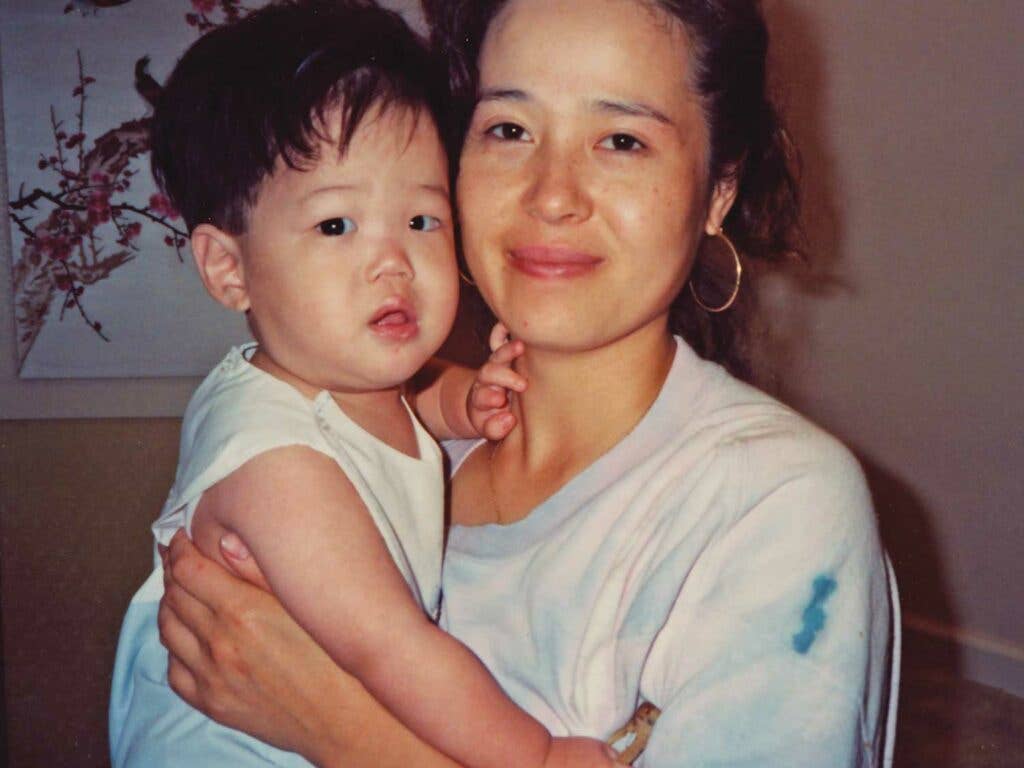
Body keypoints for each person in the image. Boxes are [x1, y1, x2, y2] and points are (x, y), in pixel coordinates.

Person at [156, 0, 895, 766]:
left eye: (621, 140)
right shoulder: (378, 447)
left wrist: (341, 731)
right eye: (508, 130)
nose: (551, 194)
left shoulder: (771, 500)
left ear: (718, 190)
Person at [109, 1, 621, 766]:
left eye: (422, 220)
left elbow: (387, 406)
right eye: (336, 226)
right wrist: (536, 757)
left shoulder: (321, 381)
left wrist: (457, 402)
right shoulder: (276, 470)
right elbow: (393, 651)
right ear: (228, 268)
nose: (394, 261)